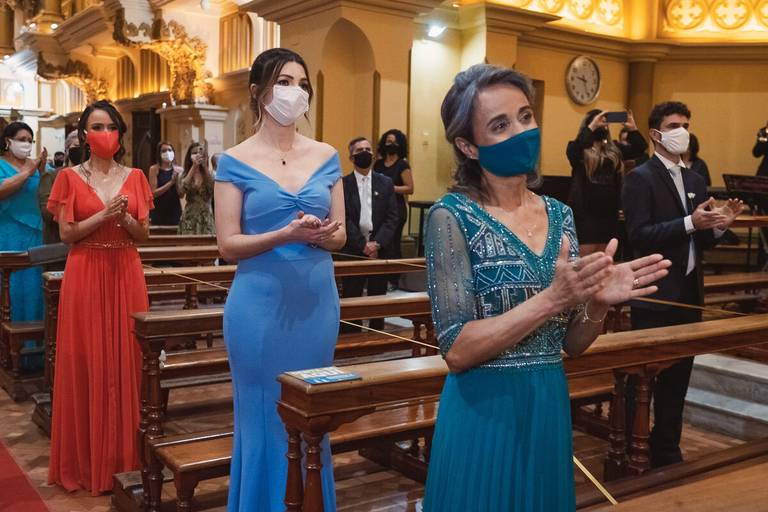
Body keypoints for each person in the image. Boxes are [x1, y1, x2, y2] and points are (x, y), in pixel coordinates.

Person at [423, 64, 670, 512]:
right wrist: (551, 299)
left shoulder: (560, 215)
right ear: (468, 146)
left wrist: (596, 302)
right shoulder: (450, 217)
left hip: (547, 404)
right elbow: (457, 349)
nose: (521, 132)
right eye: (500, 125)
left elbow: (572, 343)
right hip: (484, 410)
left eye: (525, 117)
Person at [214, 48, 345, 511]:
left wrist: (323, 235)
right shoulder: (234, 160)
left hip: (316, 303)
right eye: (284, 82)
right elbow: (227, 244)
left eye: (302, 84)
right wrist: (284, 234)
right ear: (258, 92)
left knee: (312, 414)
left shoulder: (327, 156)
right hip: (259, 305)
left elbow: (343, 234)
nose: (296, 92)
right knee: (262, 415)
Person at [622, 101, 743, 469]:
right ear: (655, 133)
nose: (683, 132)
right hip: (656, 292)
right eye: (675, 125)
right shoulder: (640, 177)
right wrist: (691, 222)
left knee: (678, 381)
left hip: (689, 293)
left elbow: (700, 240)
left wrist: (720, 224)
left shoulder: (694, 180)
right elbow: (639, 234)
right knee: (643, 381)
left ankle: (667, 450)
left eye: (686, 125)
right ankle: (630, 445)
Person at [47, 100, 154, 495]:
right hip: (86, 270)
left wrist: (124, 218)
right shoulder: (69, 177)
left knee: (128, 358)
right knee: (87, 358)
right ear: (83, 134)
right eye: (97, 127)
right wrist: (104, 214)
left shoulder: (136, 176)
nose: (105, 133)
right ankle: (87, 461)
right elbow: (67, 234)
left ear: (120, 134)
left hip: (126, 270)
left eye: (111, 127)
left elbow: (143, 234)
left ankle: (125, 457)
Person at [567, 109, 647, 255]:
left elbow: (640, 149)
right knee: (584, 262)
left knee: (605, 259)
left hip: (609, 215)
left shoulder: (614, 150)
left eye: (605, 123)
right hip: (585, 215)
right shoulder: (578, 149)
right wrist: (591, 127)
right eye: (599, 122)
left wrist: (633, 129)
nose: (603, 125)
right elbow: (574, 150)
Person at [340, 136, 399, 332]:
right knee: (352, 299)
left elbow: (392, 217)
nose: (365, 153)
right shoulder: (343, 184)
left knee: (377, 301)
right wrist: (362, 245)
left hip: (379, 251)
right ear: (351, 157)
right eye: (359, 151)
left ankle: (377, 338)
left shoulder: (386, 183)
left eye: (368, 149)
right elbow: (344, 217)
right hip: (353, 250)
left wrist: (376, 243)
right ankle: (351, 338)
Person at [0, 121, 47, 369]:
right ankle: (8, 354)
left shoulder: (36, 165)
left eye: (30, 140)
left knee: (33, 292)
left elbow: (49, 191)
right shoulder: (2, 165)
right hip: (7, 234)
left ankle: (33, 354)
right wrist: (29, 172)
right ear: (8, 141)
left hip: (34, 234)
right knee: (9, 292)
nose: (26, 144)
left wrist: (44, 170)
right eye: (21, 139)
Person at [373, 128, 414, 285]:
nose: (391, 144)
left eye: (394, 142)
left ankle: (395, 279)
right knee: (381, 243)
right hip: (379, 209)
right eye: (388, 141)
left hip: (397, 210)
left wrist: (390, 187)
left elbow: (409, 188)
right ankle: (380, 278)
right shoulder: (378, 164)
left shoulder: (402, 165)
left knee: (393, 244)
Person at [39, 131, 80, 245]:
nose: (81, 150)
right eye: (77, 146)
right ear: (67, 150)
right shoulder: (51, 176)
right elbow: (47, 214)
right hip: (58, 243)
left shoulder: (94, 176)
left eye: (85, 146)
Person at [177, 142, 215, 235]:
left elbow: (213, 190)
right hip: (189, 218)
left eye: (200, 153)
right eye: (194, 153)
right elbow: (181, 193)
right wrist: (194, 167)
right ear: (189, 156)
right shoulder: (183, 174)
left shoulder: (210, 174)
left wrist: (205, 167)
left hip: (206, 218)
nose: (197, 155)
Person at [148, 141, 182, 225]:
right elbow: (153, 193)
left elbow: (181, 194)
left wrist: (177, 182)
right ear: (159, 154)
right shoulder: (154, 169)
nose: (167, 152)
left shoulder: (179, 170)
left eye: (170, 150)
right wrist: (171, 183)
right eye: (164, 150)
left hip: (175, 211)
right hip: (158, 211)